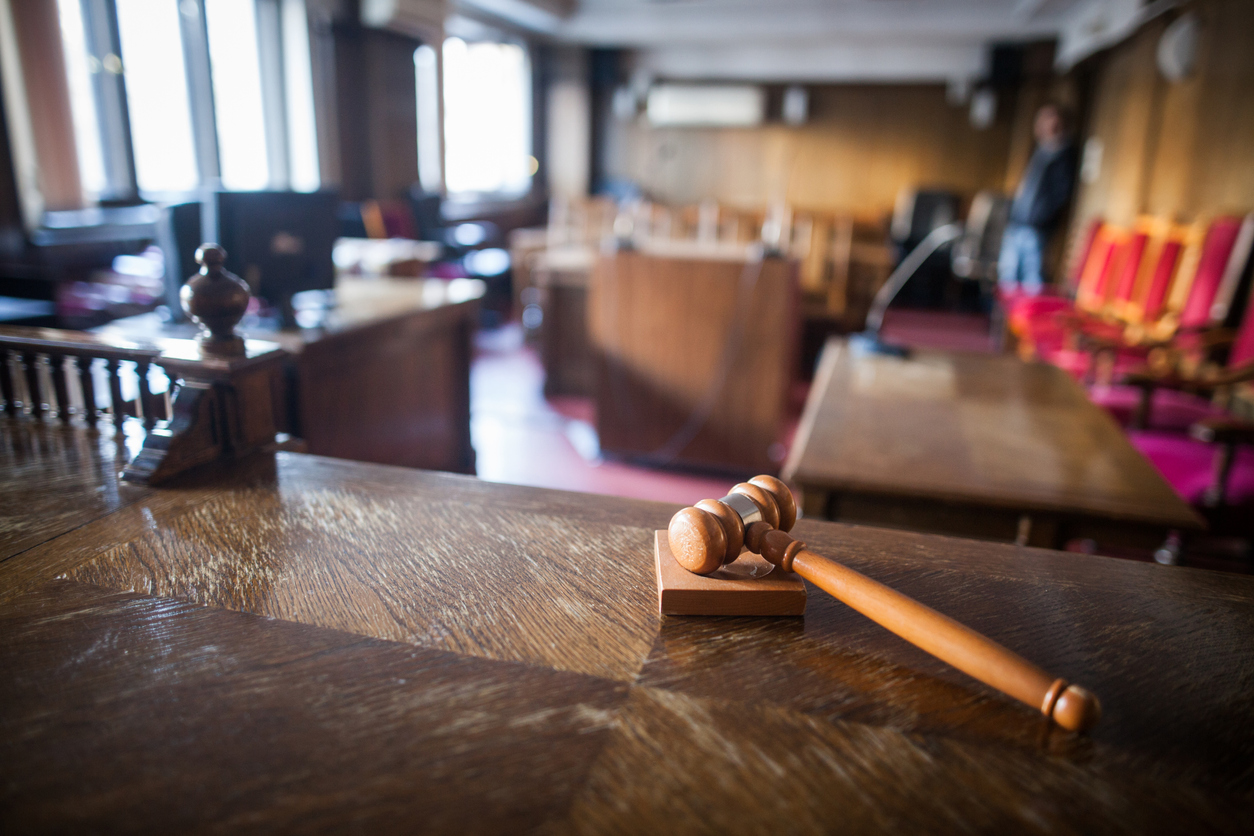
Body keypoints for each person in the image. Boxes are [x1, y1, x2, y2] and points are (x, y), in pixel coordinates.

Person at [998, 103, 1078, 296]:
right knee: (1008, 280)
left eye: (1050, 119)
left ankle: (1023, 323)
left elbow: (1061, 193)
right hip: (1018, 223)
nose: (1044, 125)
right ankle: (1007, 325)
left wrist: (1041, 217)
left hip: (1037, 228)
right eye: (1041, 119)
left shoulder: (1064, 153)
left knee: (1032, 281)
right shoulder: (1040, 150)